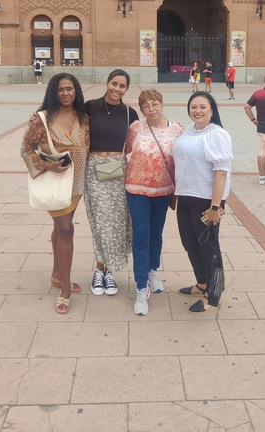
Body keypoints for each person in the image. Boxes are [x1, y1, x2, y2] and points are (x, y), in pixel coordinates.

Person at [21, 73, 89, 314]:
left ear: (76, 91)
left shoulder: (84, 116)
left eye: (70, 89)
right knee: (66, 230)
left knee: (61, 227)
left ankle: (57, 275)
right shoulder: (42, 119)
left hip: (78, 183)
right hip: (56, 179)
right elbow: (26, 148)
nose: (65, 93)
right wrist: (46, 165)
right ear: (53, 92)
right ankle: (65, 289)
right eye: (60, 89)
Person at [125, 89, 184, 315]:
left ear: (163, 104)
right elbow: (123, 150)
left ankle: (152, 270)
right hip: (137, 188)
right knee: (141, 235)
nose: (151, 109)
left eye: (155, 104)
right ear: (141, 109)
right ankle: (141, 287)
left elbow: (183, 158)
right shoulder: (135, 128)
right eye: (146, 106)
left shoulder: (177, 130)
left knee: (156, 233)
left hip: (163, 190)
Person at [172, 93, 233, 313]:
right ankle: (202, 283)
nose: (198, 111)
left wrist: (215, 207)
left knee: (209, 248)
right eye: (193, 106)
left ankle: (213, 295)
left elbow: (222, 173)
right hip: (186, 196)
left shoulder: (217, 134)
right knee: (190, 244)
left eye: (203, 107)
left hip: (206, 201)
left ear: (212, 110)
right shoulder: (189, 130)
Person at [84, 69, 138, 296]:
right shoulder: (90, 107)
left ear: (126, 89)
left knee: (115, 220)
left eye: (122, 86)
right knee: (98, 218)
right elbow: (66, 118)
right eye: (114, 83)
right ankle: (99, 269)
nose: (117, 89)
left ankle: (109, 272)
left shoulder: (130, 113)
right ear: (107, 83)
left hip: (117, 169)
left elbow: (138, 143)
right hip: (94, 167)